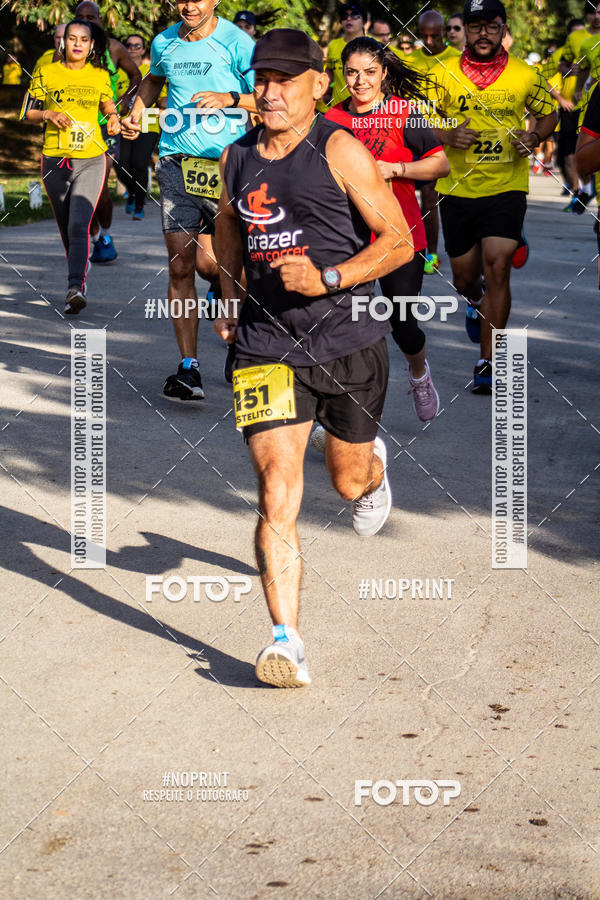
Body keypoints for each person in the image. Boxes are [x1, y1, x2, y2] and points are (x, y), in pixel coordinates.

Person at [214, 28, 414, 687]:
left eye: (286, 80)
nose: (271, 92)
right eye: (262, 79)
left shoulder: (340, 150)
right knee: (276, 490)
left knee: (348, 481)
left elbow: (399, 243)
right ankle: (286, 640)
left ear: (317, 85)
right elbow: (228, 233)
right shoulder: (235, 158)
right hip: (264, 348)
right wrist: (227, 297)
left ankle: (371, 467)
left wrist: (329, 279)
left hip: (346, 339)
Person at [121, 0, 256, 403]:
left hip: (228, 165)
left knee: (222, 265)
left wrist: (228, 98)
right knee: (182, 265)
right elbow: (152, 81)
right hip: (176, 164)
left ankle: (241, 339)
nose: (189, 5)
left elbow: (267, 97)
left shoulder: (236, 42)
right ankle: (188, 368)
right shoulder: (164, 42)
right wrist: (136, 113)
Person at [428, 0, 556, 393]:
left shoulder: (524, 74)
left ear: (504, 29)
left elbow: (550, 114)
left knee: (498, 264)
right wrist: (447, 136)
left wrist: (534, 136)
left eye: (492, 26)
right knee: (466, 276)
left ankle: (488, 361)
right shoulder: (442, 72)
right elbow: (417, 120)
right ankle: (474, 298)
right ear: (465, 29)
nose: (483, 33)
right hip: (457, 188)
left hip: (507, 186)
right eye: (476, 26)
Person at [325, 36, 449, 421]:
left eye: (369, 72)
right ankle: (343, 405)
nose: (360, 81)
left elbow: (440, 165)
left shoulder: (403, 113)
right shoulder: (331, 120)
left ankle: (419, 373)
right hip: (348, 236)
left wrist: (396, 169)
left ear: (383, 74)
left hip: (401, 233)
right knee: (346, 319)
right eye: (351, 73)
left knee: (402, 322)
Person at [21, 19, 120, 314]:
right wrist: (48, 114)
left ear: (91, 46)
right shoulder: (46, 71)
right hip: (54, 159)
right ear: (63, 43)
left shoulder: (100, 75)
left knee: (79, 224)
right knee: (67, 227)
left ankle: (75, 286)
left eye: (83, 39)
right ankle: (78, 270)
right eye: (71, 38)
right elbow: (27, 112)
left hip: (91, 157)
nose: (77, 43)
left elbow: (108, 105)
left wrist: (113, 119)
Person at [73, 1, 141, 263]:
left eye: (92, 16)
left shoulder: (113, 47)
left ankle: (107, 235)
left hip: (105, 124)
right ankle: (94, 238)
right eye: (81, 16)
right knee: (80, 187)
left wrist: (124, 100)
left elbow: (137, 76)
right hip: (75, 124)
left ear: (101, 20)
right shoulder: (68, 48)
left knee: (99, 185)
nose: (87, 20)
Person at [405, 11, 460, 275]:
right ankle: (408, 247)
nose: (429, 41)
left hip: (441, 141)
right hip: (412, 135)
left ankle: (432, 254)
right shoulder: (409, 61)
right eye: (423, 36)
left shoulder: (456, 61)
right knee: (406, 196)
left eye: (435, 36)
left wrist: (446, 130)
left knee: (431, 198)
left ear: (444, 33)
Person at [114, 34, 163, 220]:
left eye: (137, 45)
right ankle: (133, 191)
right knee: (121, 164)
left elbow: (161, 99)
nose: (133, 48)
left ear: (143, 49)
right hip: (123, 124)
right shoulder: (118, 73)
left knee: (140, 163)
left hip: (148, 124)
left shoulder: (151, 71)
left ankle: (140, 203)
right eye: (129, 44)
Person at [325, 2, 368, 107]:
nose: (349, 19)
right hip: (337, 109)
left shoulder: (373, 44)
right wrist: (327, 92)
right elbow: (330, 72)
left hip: (365, 108)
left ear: (364, 21)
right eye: (345, 16)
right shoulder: (333, 45)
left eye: (354, 15)